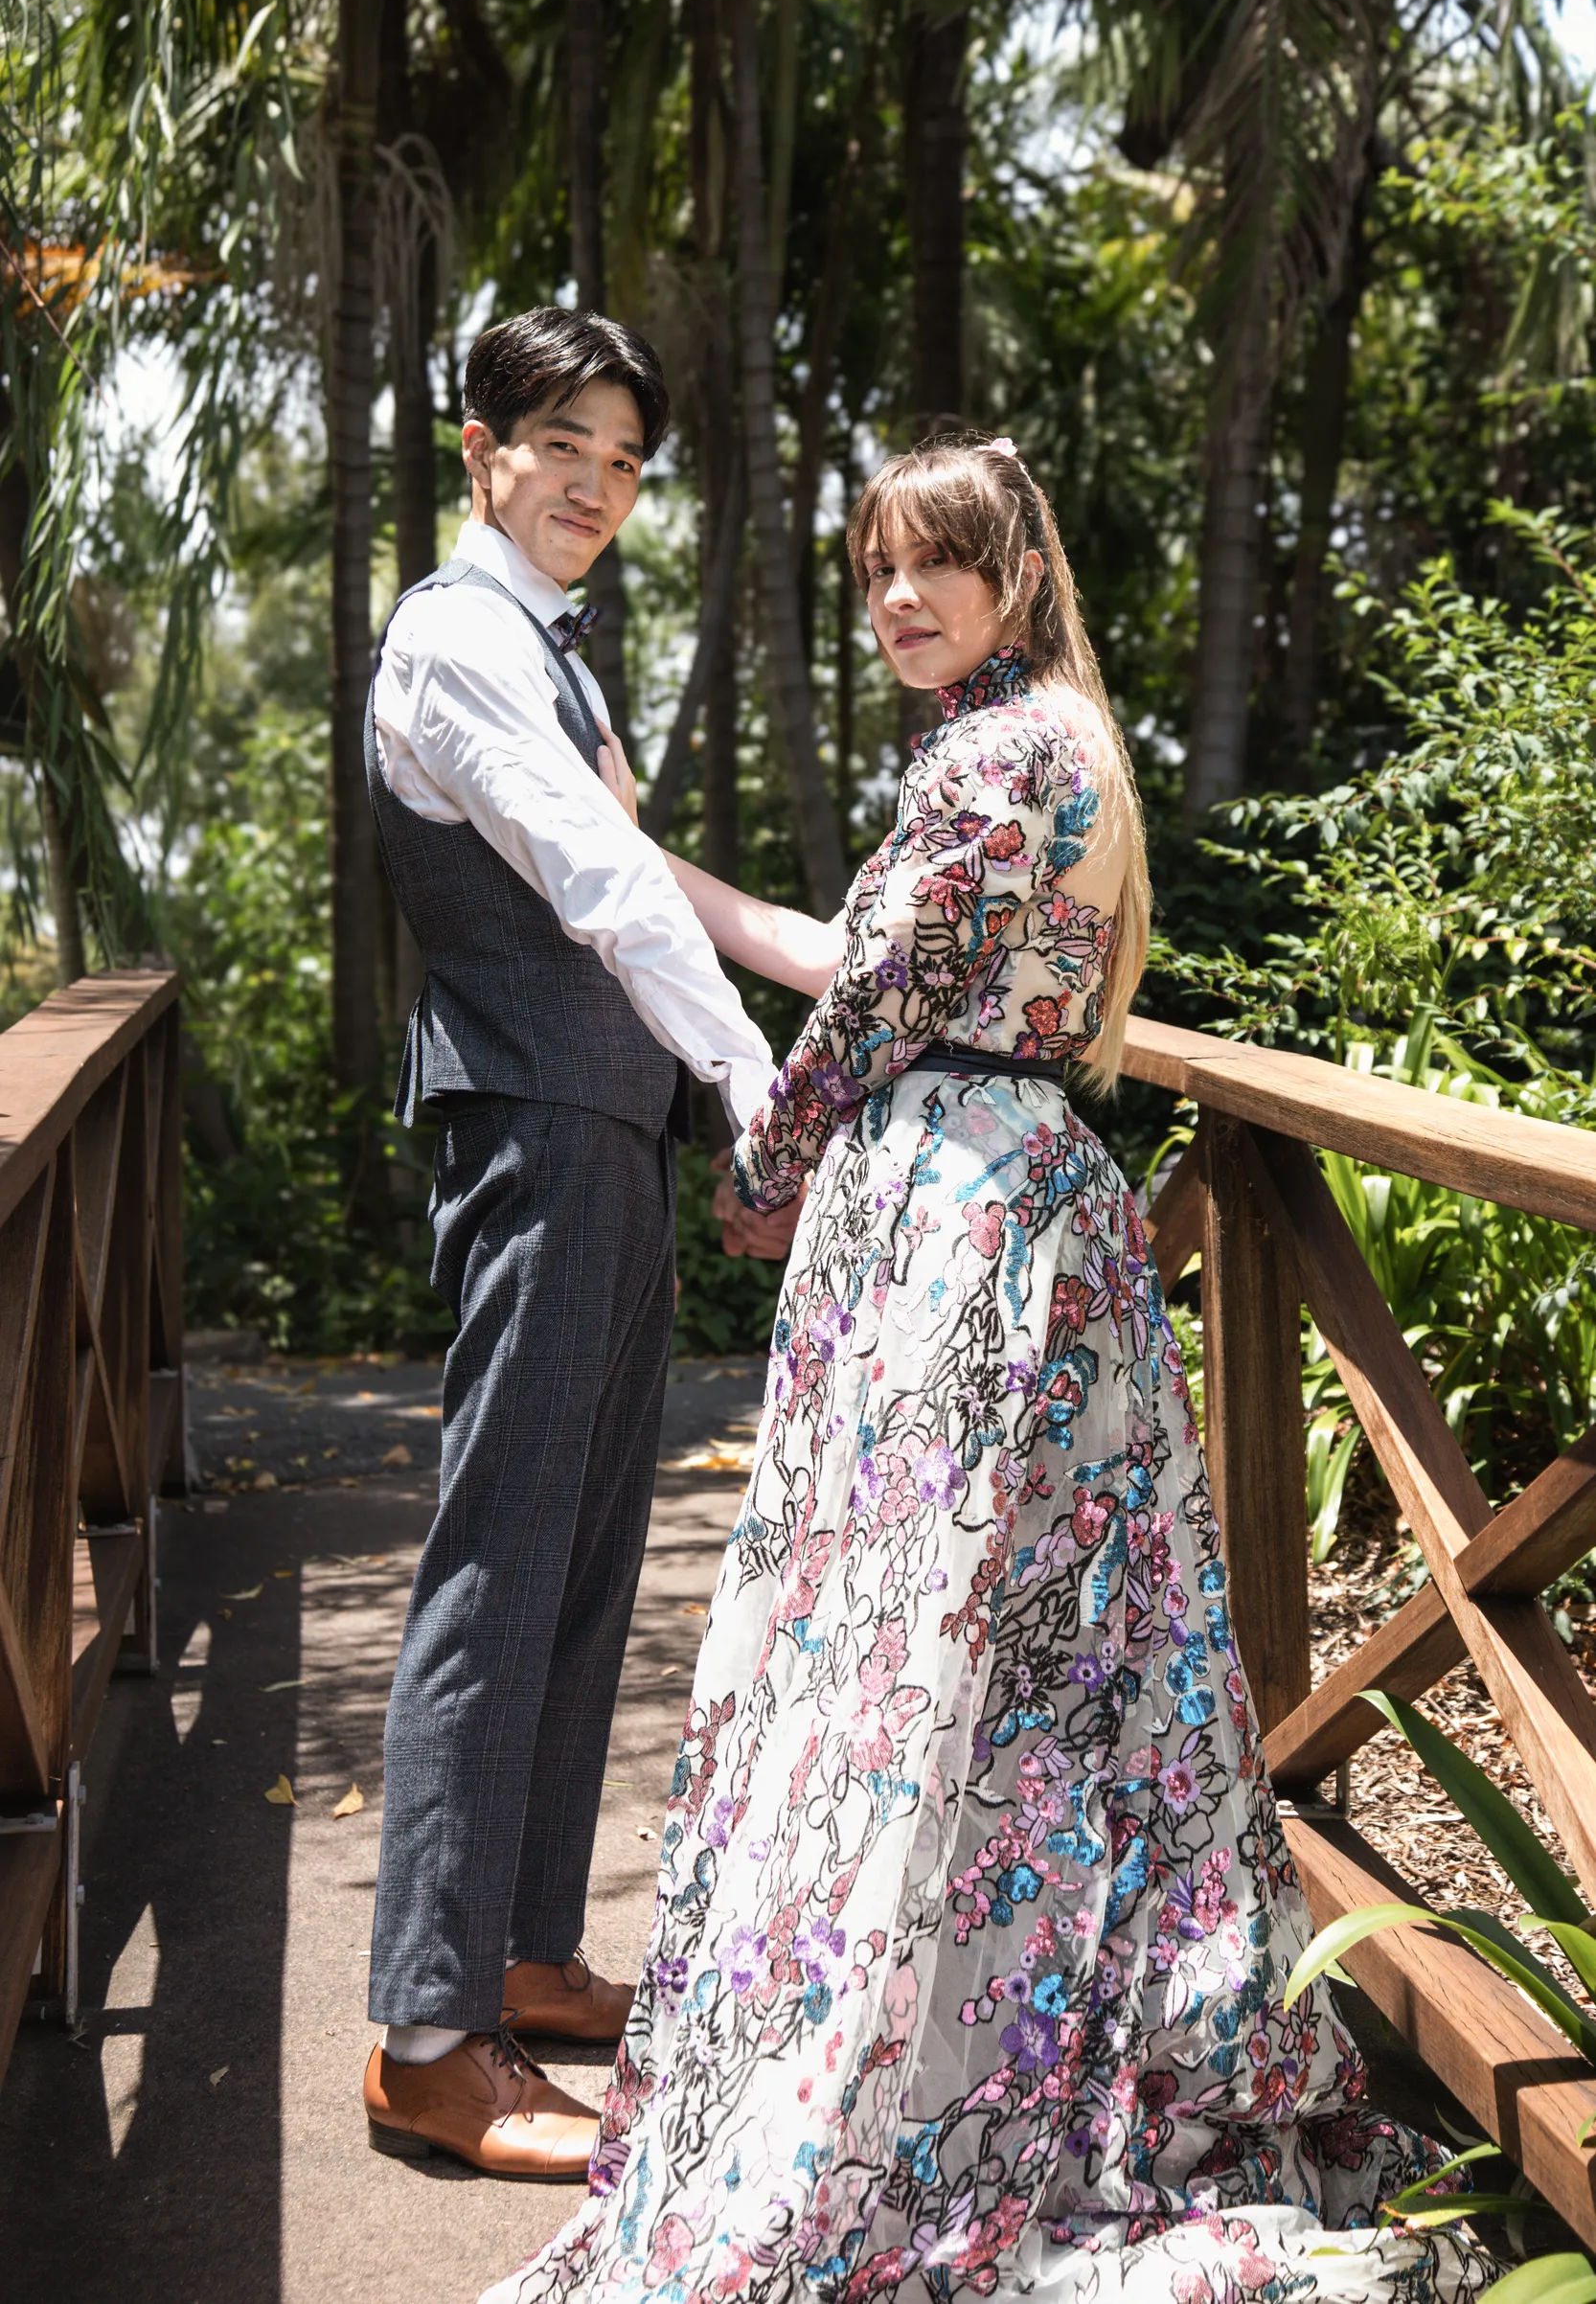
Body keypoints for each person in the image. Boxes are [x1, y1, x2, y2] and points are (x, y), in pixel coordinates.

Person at [482, 433, 1479, 2299]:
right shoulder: (1030, 744)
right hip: (984, 1205)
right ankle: (972, 2021)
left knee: (934, 1640)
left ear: (1015, 569)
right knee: (1018, 1651)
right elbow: (856, 952)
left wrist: (766, 1166)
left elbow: (877, 990)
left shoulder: (1005, 752)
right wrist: (647, 854)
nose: (898, 597)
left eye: (934, 562)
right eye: (876, 571)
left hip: (964, 1225)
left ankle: (923, 2058)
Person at [360, 306, 776, 2179]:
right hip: (530, 1131)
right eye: (564, 443)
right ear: (480, 446)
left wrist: (824, 973)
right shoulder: (454, 638)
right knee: (497, 1559)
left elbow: (647, 876)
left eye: (624, 455)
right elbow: (594, 877)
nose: (597, 483)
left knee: (585, 1559)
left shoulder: (549, 653)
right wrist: (756, 1081)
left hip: (599, 1133)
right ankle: (427, 2036)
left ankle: (521, 1952)